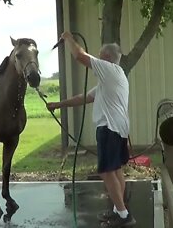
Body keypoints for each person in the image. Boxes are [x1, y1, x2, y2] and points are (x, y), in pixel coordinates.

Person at [47, 32, 136, 227]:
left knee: (106, 171)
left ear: (106, 58)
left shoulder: (110, 70)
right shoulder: (112, 79)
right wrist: (58, 104)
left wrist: (68, 38)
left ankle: (124, 216)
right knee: (115, 170)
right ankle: (118, 210)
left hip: (109, 127)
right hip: (118, 128)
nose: (96, 59)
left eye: (99, 55)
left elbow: (80, 56)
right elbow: (84, 97)